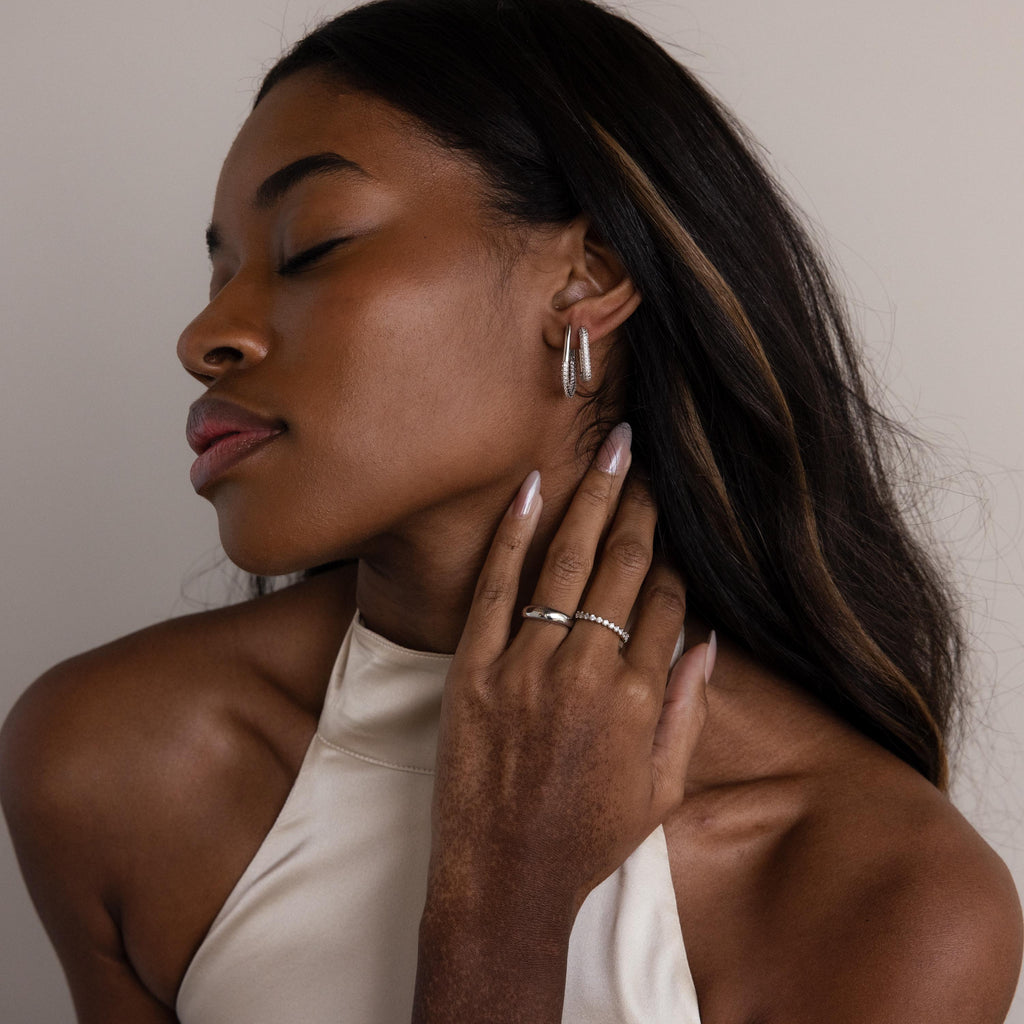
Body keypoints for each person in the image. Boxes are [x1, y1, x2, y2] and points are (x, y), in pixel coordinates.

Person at [2, 0, 1021, 1020]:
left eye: (309, 245)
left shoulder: (883, 894)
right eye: (218, 272)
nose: (203, 337)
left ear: (588, 279)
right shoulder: (117, 761)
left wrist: (513, 908)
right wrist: (496, 905)